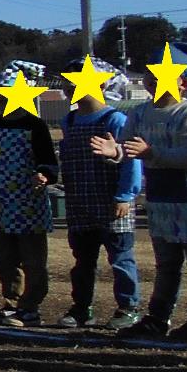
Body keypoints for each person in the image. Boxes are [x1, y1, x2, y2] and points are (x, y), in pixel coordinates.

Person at [107, 63, 187, 340]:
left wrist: (151, 152)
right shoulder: (139, 112)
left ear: (184, 83)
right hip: (159, 202)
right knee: (166, 264)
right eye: (151, 77)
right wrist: (116, 152)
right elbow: (129, 147)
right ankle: (157, 318)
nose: (155, 82)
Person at [0, 97, 58, 326]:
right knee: (4, 258)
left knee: (33, 259)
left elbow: (48, 160)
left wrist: (44, 175)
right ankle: (11, 302)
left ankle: (31, 306)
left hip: (29, 205)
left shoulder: (36, 126)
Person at [57, 88, 142, 331]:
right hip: (80, 203)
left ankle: (128, 307)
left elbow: (131, 159)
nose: (72, 88)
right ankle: (82, 307)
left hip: (113, 203)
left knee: (121, 258)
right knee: (83, 261)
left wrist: (126, 195)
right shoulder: (69, 121)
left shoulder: (115, 119)